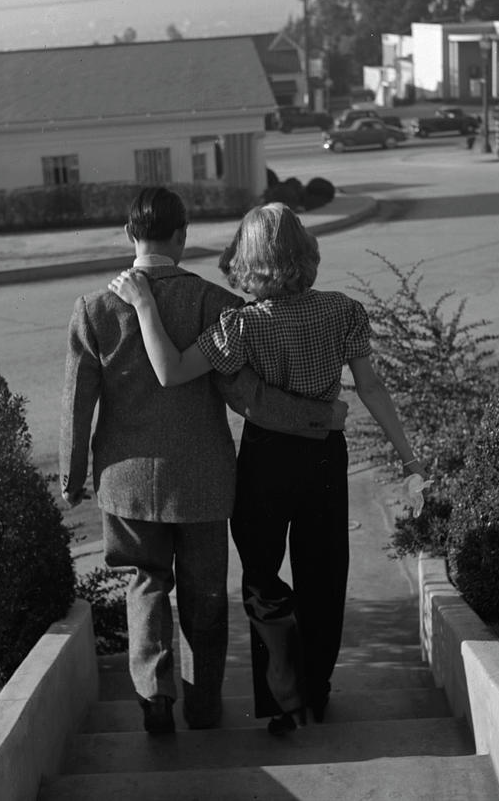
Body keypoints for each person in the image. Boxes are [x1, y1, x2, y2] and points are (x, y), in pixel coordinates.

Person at [109, 202, 427, 736]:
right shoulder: (344, 311)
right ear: (305, 252)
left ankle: (286, 702)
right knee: (324, 577)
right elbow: (370, 388)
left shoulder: (242, 326)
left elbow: (169, 371)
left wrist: (143, 304)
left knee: (262, 579)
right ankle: (317, 692)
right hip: (327, 458)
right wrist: (410, 457)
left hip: (265, 461)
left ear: (247, 260)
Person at [59, 187, 344, 736]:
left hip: (127, 483)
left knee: (145, 583)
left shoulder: (94, 309)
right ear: (182, 236)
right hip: (206, 481)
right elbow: (248, 397)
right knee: (205, 597)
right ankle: (205, 707)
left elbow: (78, 405)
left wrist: (73, 478)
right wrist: (320, 417)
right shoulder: (216, 303)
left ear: (128, 234)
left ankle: (154, 694)